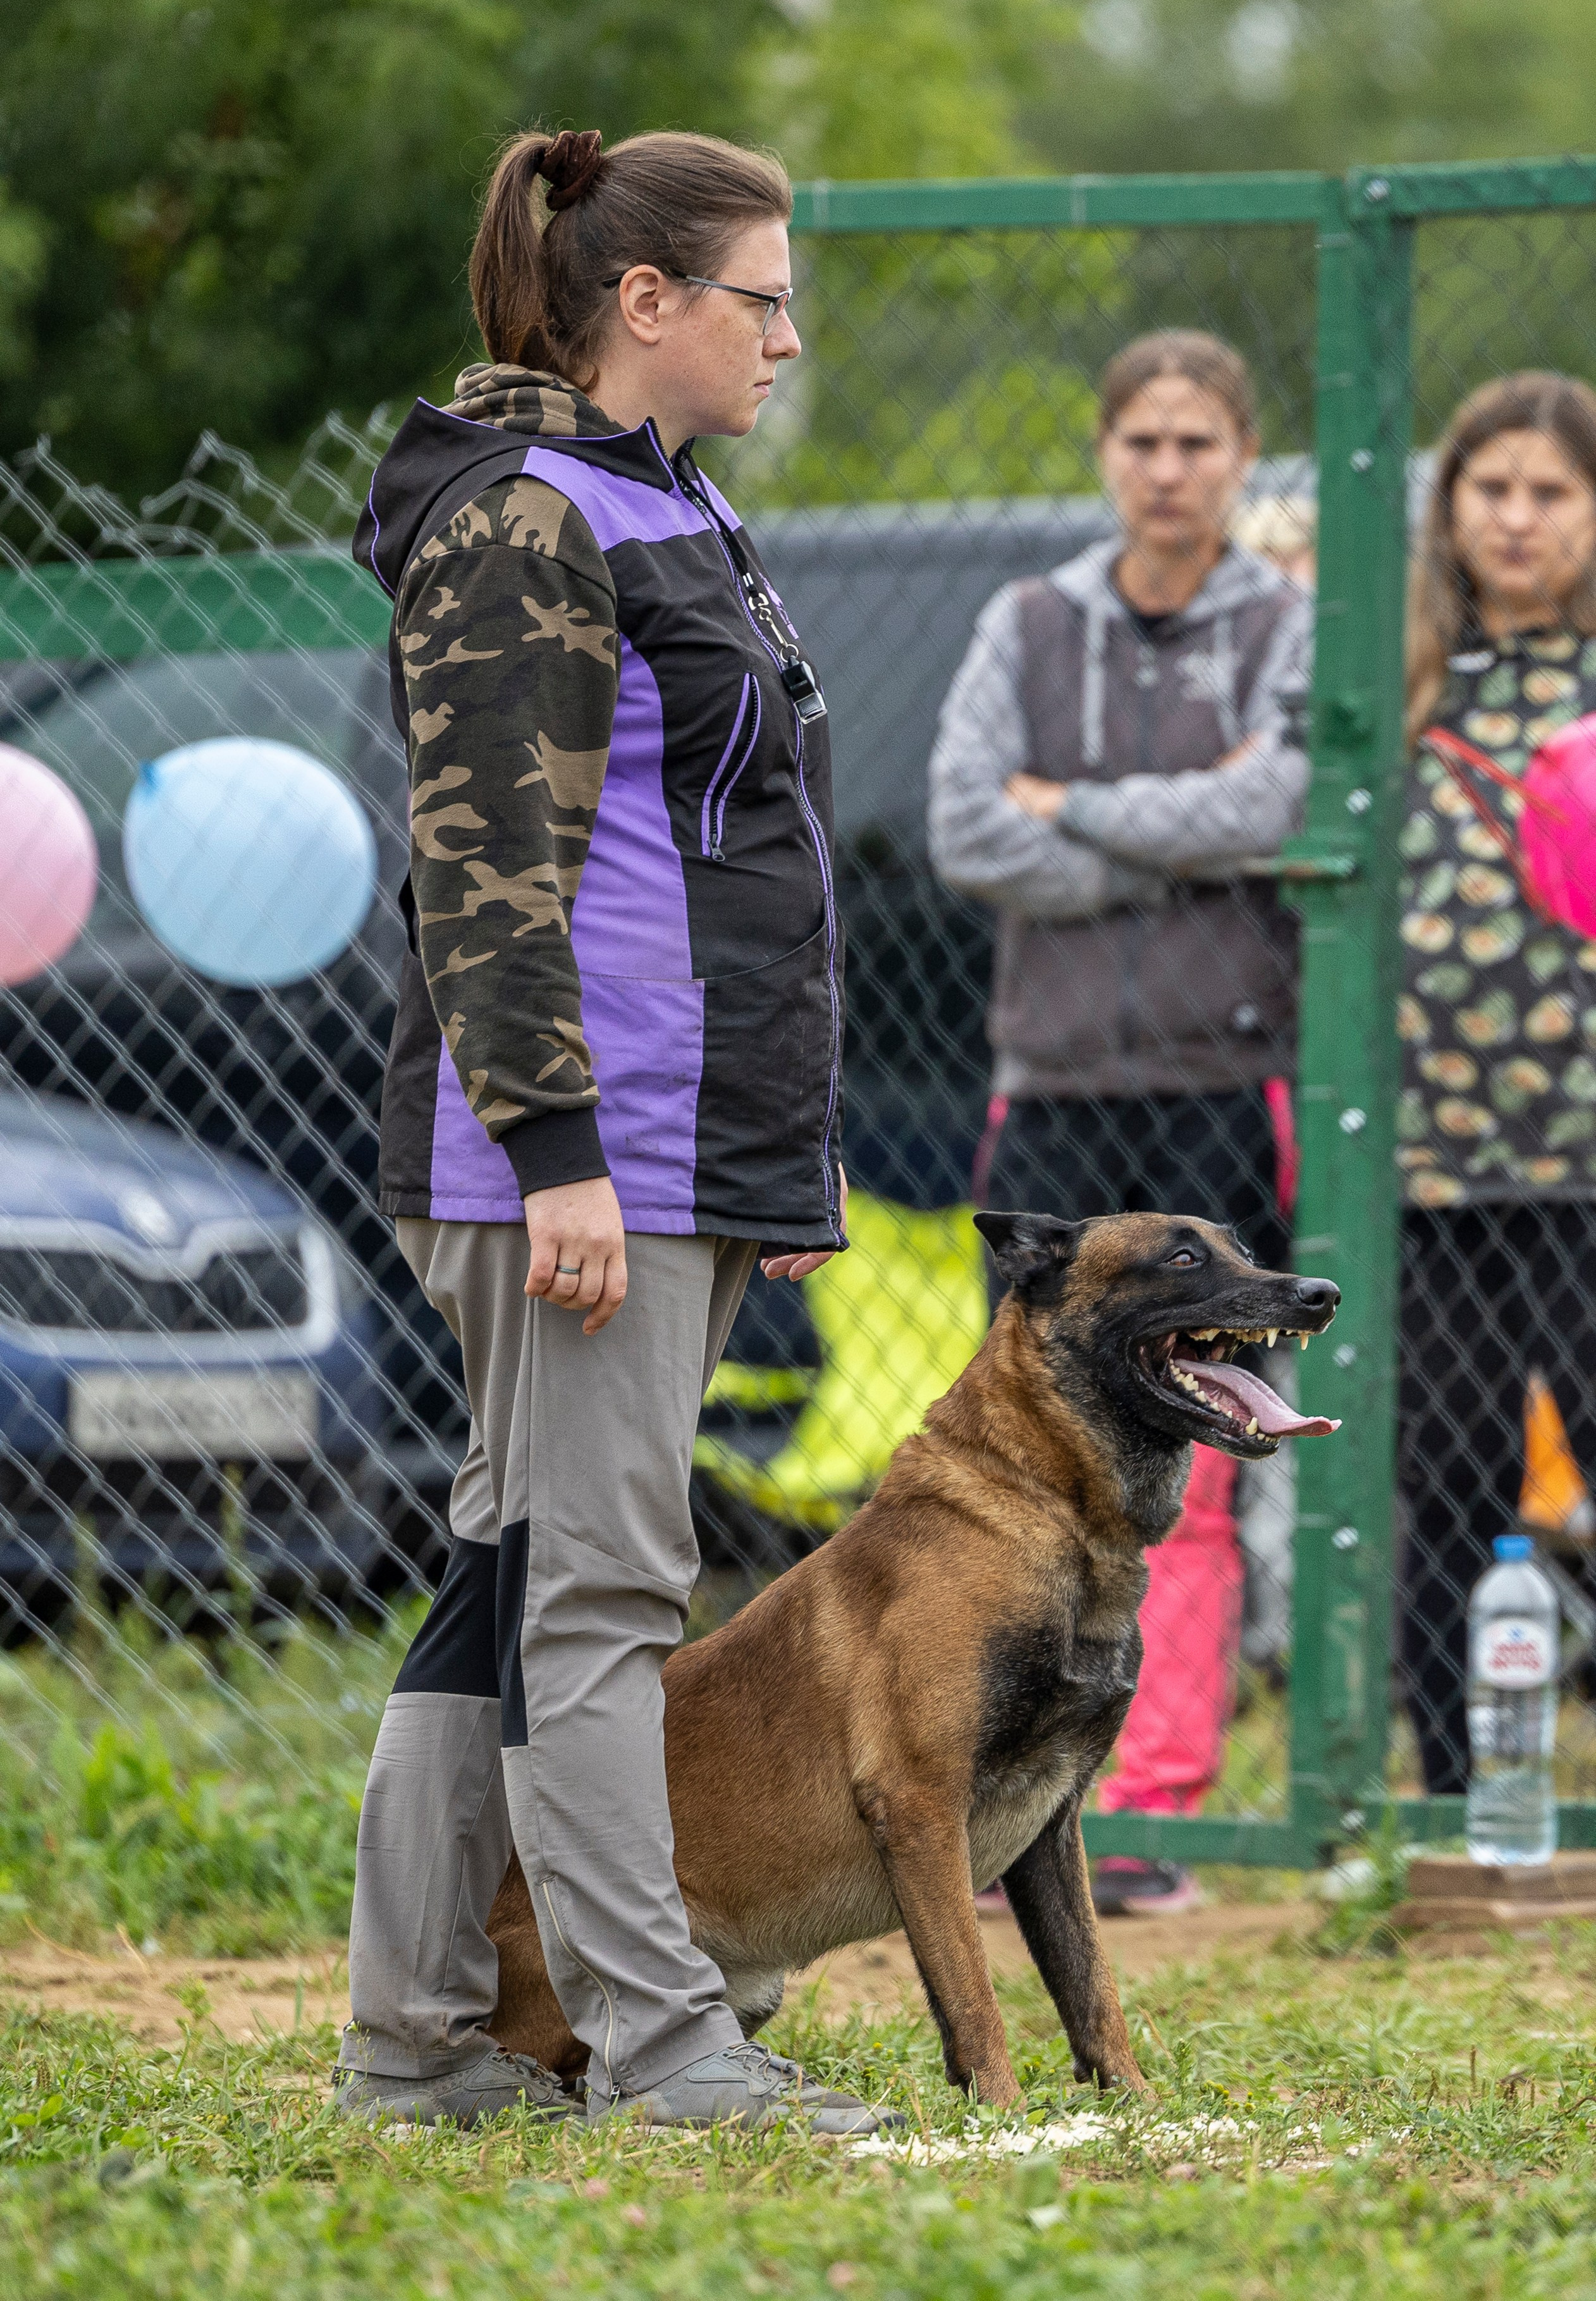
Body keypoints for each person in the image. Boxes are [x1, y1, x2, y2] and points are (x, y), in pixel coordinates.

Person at [334, 125, 892, 2135]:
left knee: (506, 1579)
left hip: (674, 1152)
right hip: (579, 1159)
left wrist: (779, 1169)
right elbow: (487, 873)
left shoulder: (657, 503)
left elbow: (739, 862)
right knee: (594, 1605)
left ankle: (416, 2052)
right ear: (640, 303)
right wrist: (562, 1149)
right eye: (762, 299)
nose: (789, 338)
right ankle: (663, 2049)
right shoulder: (524, 518)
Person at [930, 330, 1312, 1915]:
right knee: (1017, 1454)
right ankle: (1003, 1796)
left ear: (1241, 458)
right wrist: (1170, 838)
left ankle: (1149, 1810)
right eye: (1142, 442)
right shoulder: (1024, 623)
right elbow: (961, 824)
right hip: (1055, 1100)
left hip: (1223, 1092)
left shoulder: (1291, 623)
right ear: (1106, 453)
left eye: (1197, 444)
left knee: (1203, 1464)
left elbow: (1280, 804)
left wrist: (1064, 809)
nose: (1168, 469)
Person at [1397, 371, 1596, 1794]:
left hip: (1586, 1152)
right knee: (1448, 1477)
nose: (1516, 520)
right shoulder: (1392, 677)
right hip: (1425, 1164)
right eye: (1490, 490)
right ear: (1447, 508)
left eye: (1548, 492)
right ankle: (1456, 1785)